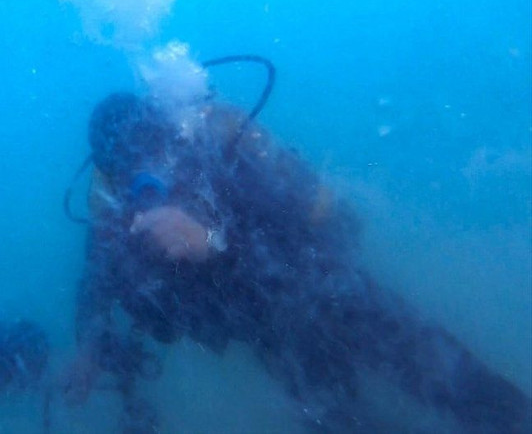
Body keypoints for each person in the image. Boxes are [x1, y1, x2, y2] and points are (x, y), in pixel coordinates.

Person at [63, 91, 532, 433]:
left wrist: (211, 242)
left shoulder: (219, 160)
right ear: (110, 176)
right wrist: (87, 348)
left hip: (337, 296)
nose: (146, 178)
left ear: (172, 136)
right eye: (127, 170)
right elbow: (96, 283)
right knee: (342, 424)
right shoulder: (118, 218)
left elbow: (301, 237)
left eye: (152, 150)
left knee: (453, 381)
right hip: (278, 342)